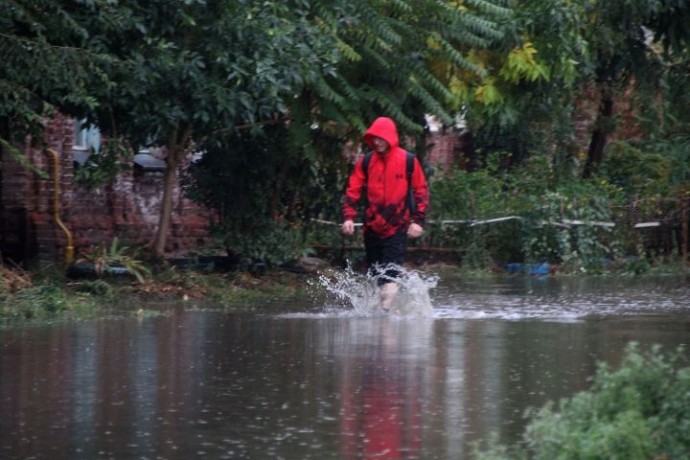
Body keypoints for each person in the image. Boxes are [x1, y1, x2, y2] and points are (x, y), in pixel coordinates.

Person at [341, 117, 429, 309]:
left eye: (380, 138)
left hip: (397, 226)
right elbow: (353, 190)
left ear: (390, 137)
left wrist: (418, 221)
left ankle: (385, 317)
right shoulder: (365, 162)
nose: (377, 142)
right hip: (371, 228)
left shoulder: (408, 161)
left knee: (390, 274)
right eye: (373, 138)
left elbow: (421, 191)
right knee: (375, 275)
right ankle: (380, 313)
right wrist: (348, 217)